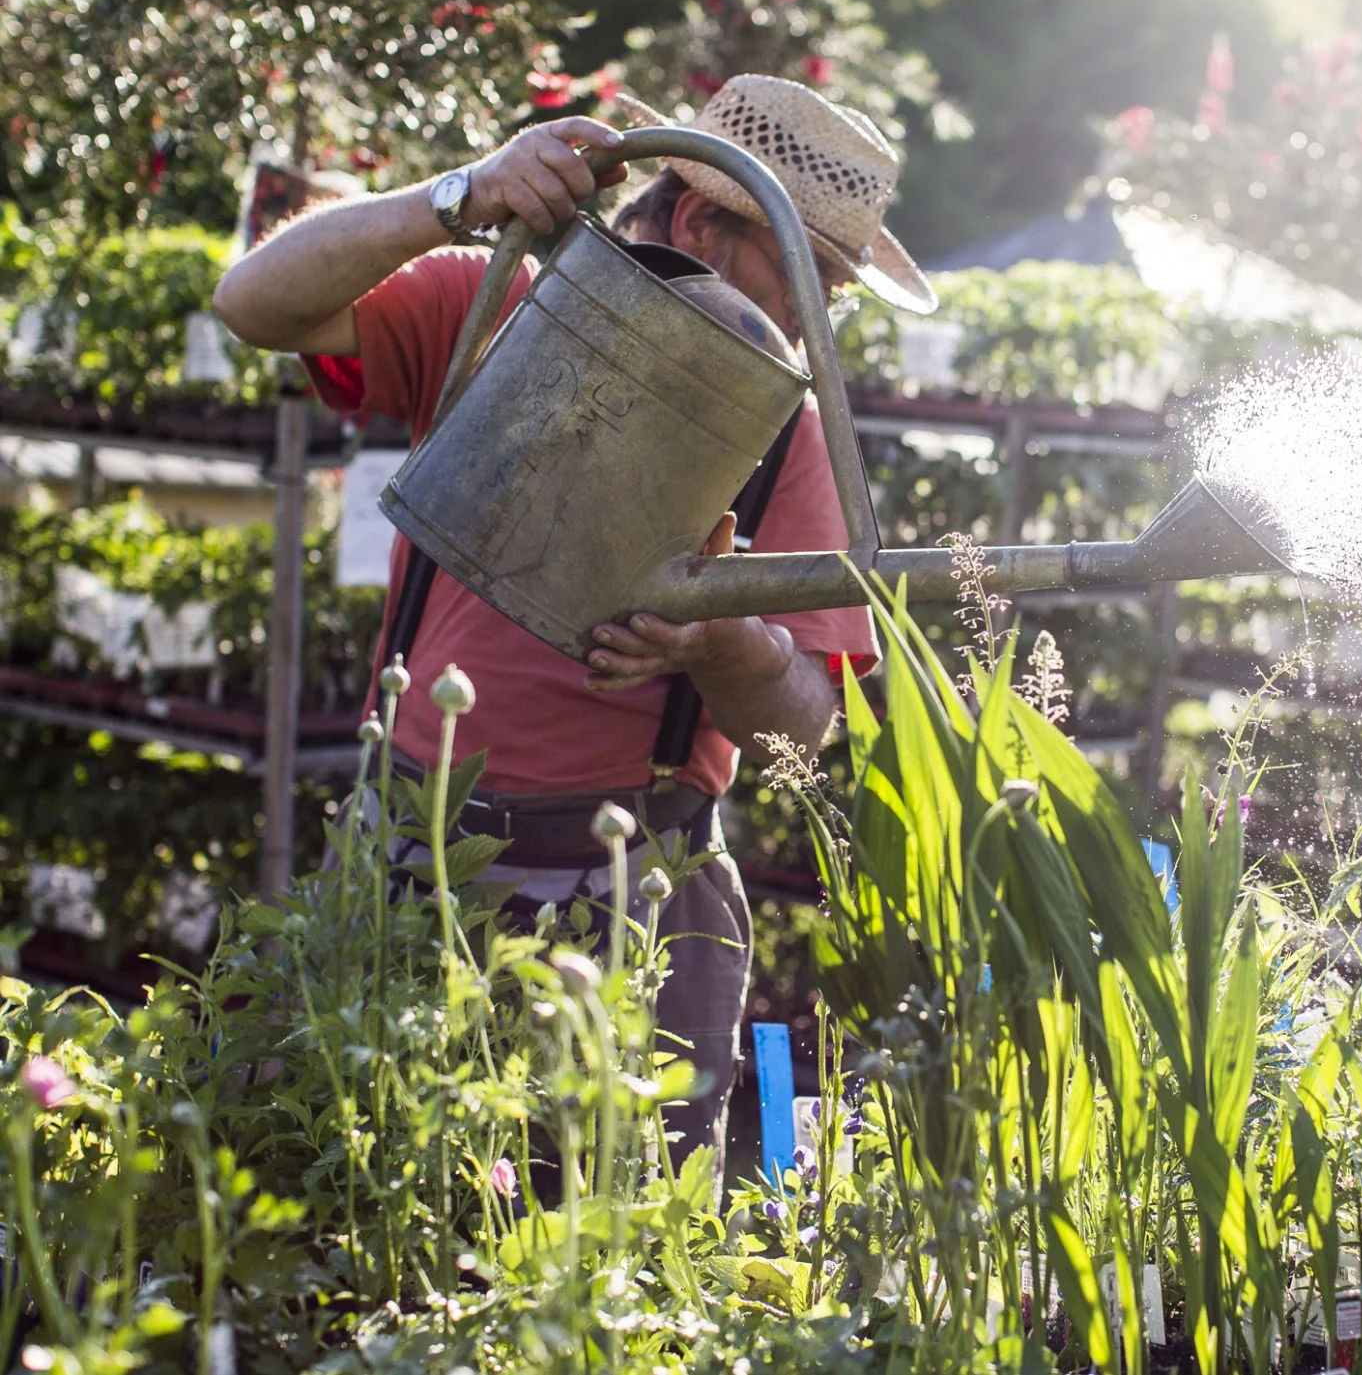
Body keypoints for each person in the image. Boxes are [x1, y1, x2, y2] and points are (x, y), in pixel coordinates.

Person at [214, 75, 939, 1177]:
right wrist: (462, 193)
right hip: (406, 860)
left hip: (631, 897)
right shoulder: (503, 305)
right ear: (700, 223)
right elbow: (253, 303)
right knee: (357, 1207)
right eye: (813, 282)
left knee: (608, 1261)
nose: (817, 319)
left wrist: (722, 640)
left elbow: (807, 723)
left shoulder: (778, 434)